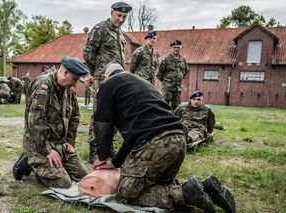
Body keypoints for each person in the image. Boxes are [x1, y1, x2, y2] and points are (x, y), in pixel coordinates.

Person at [93, 61, 235, 213]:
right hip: (179, 140)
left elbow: (103, 124)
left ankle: (186, 194)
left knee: (125, 195)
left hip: (155, 143)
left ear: (106, 76)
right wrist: (116, 162)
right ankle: (207, 189)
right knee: (159, 185)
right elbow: (133, 135)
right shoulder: (142, 83)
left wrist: (101, 156)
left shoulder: (107, 85)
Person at [13, 56, 92, 188]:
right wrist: (47, 151)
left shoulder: (68, 91)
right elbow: (35, 122)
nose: (75, 84)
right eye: (75, 79)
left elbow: (74, 117)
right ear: (65, 73)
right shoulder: (44, 85)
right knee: (63, 183)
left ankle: (48, 163)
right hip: (40, 144)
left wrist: (69, 142)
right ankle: (30, 161)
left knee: (83, 176)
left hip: (60, 144)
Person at [83, 1, 132, 164]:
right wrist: (96, 73)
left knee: (116, 112)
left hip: (118, 79)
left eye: (124, 17)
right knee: (100, 113)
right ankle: (94, 149)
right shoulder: (100, 29)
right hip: (103, 79)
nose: (121, 19)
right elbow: (88, 53)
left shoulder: (120, 34)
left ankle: (108, 145)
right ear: (111, 13)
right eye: (119, 15)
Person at [157, 39, 189, 110]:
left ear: (181, 48)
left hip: (177, 89)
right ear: (172, 48)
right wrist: (166, 82)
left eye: (178, 47)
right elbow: (159, 73)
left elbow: (185, 72)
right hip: (167, 89)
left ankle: (175, 120)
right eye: (174, 47)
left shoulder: (183, 60)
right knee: (164, 106)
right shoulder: (166, 59)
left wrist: (178, 79)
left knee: (177, 108)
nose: (176, 49)